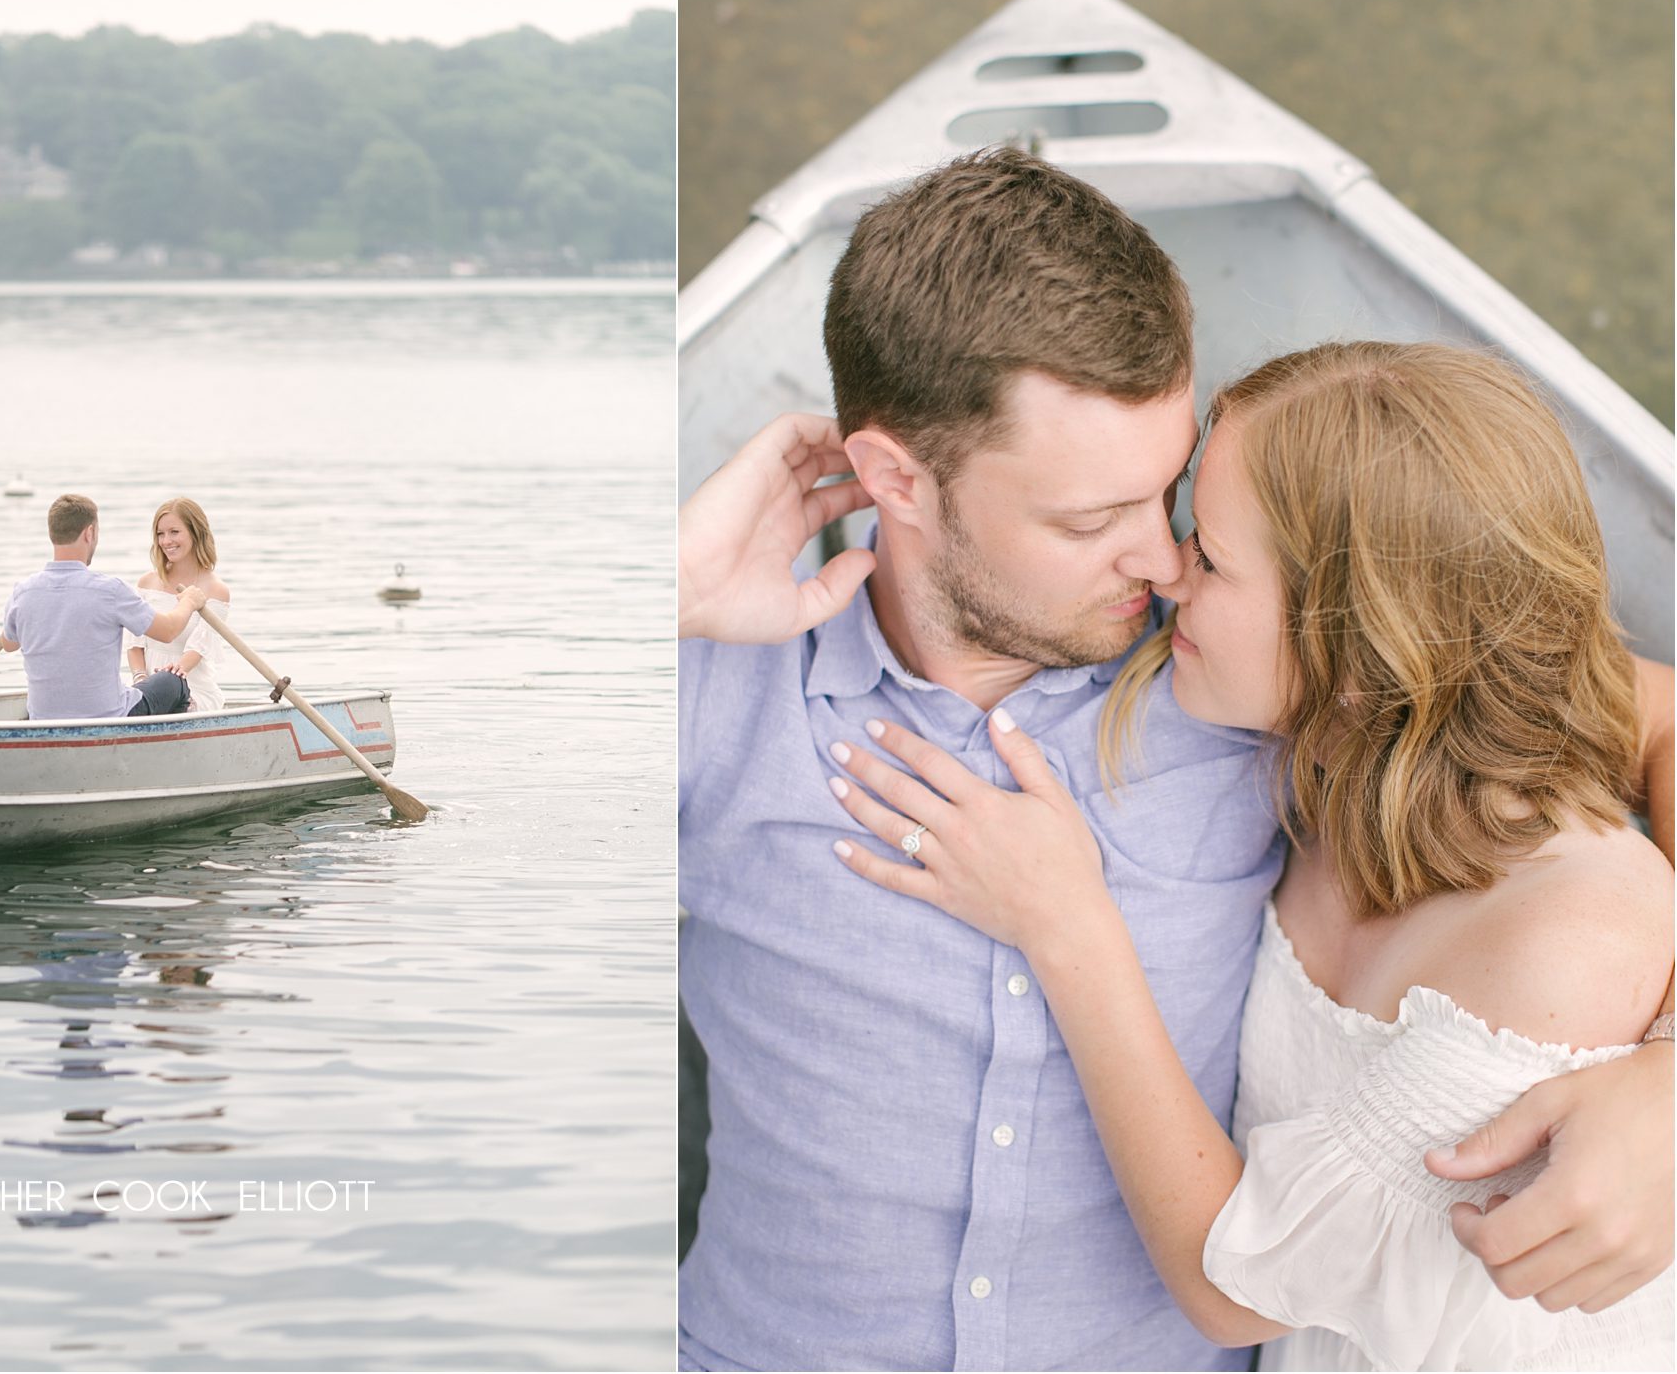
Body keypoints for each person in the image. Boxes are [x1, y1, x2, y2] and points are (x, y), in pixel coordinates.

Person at [675, 146, 1674, 1371]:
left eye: (1176, 498)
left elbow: (1640, 722)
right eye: (1092, 520)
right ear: (895, 480)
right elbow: (382, 816)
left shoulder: (1251, 667)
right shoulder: (710, 690)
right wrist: (650, 592)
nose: (1158, 559)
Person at [2, 493, 207, 719]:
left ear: (52, 534)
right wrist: (189, 601)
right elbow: (168, 630)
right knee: (174, 681)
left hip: (43, 717)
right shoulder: (110, 591)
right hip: (109, 716)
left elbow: (9, 644)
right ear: (89, 533)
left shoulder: (22, 592)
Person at [123, 497, 233, 712]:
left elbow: (199, 647)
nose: (166, 541)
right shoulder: (147, 583)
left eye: (174, 532)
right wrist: (140, 677)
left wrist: (172, 674)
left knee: (169, 687)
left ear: (195, 532)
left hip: (189, 688)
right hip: (144, 687)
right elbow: (134, 643)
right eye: (160, 534)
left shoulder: (216, 590)